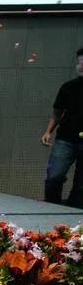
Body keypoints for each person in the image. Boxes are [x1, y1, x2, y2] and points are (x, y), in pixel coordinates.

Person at [40, 47, 83, 207]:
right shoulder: (68, 87)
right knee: (54, 176)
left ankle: (73, 215)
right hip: (65, 138)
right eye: (79, 62)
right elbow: (57, 112)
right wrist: (48, 131)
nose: (81, 66)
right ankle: (51, 208)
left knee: (81, 185)